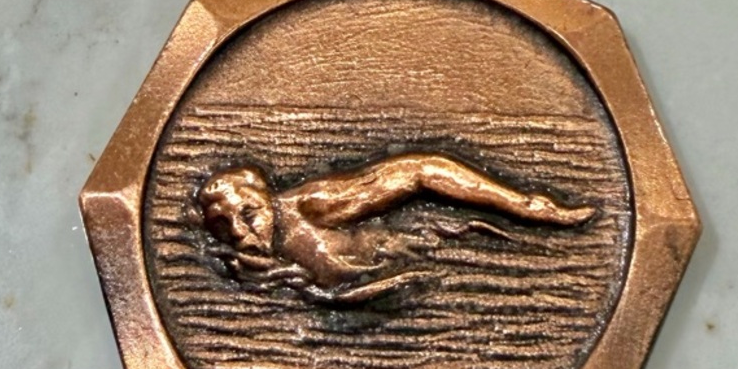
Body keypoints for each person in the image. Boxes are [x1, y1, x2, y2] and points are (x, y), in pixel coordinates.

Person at [199, 153, 597, 306]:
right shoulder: (242, 257)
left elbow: (419, 171)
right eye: (222, 226)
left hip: (431, 268)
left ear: (266, 199)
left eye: (248, 214)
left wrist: (522, 205)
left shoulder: (312, 205)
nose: (238, 232)